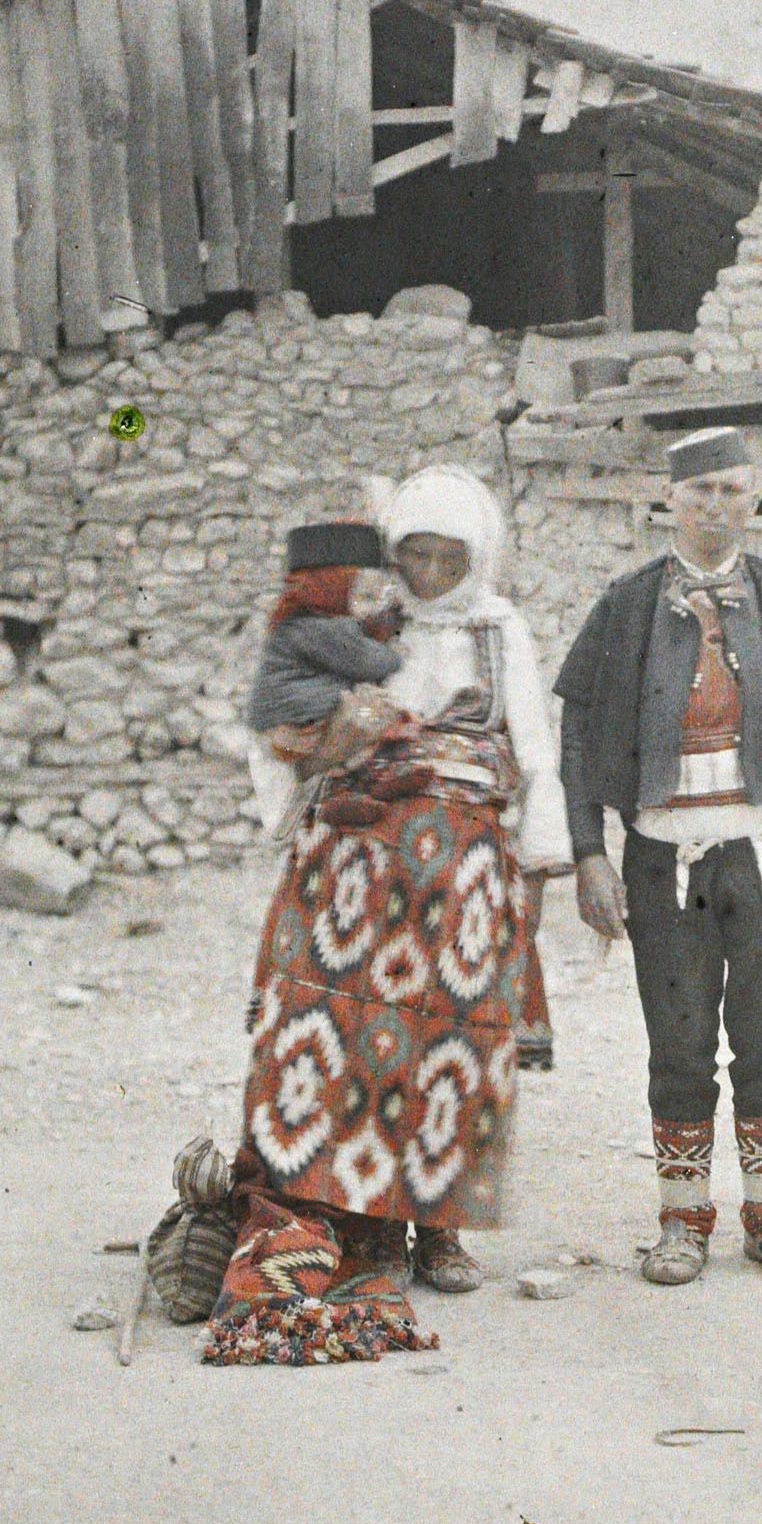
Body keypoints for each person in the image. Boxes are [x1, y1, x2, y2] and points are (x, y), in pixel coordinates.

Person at [205, 466, 570, 1366]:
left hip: (462, 856)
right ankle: (354, 1212)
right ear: (395, 552)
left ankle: (439, 1224)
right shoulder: (365, 624)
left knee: (454, 1037)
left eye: (453, 555)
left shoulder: (499, 629)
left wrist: (540, 856)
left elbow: (533, 748)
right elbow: (282, 725)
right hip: (359, 854)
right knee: (345, 1030)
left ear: (478, 554)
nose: (435, 569)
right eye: (419, 552)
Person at [555, 426, 762, 1289]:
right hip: (661, 861)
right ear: (670, 501)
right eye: (699, 493)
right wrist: (588, 853)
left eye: (731, 490)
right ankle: (683, 1221)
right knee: (679, 1045)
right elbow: (576, 731)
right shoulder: (625, 604)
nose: (715, 507)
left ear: (753, 501)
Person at [247, 518, 405, 738]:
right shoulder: (314, 628)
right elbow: (372, 663)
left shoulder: (302, 620)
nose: (351, 590)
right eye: (349, 583)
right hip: (290, 720)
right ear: (330, 584)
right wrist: (399, 651)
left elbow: (349, 640)